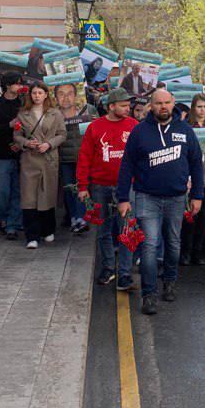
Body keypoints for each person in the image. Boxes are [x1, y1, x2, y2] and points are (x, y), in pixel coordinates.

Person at [116, 89, 205, 315]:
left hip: (177, 198)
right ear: (151, 105)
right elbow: (126, 165)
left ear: (173, 103)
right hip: (147, 197)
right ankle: (149, 294)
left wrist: (197, 195)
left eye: (167, 102)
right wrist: (123, 198)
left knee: (174, 245)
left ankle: (170, 281)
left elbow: (196, 163)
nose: (163, 107)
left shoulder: (185, 131)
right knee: (149, 245)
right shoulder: (139, 132)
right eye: (158, 103)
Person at [77, 88, 138, 286]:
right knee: (103, 231)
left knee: (127, 231)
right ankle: (108, 268)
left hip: (127, 189)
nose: (127, 108)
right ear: (111, 106)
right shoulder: (95, 127)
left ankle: (125, 273)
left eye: (128, 105)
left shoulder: (134, 126)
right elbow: (84, 157)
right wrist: (82, 186)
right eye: (123, 105)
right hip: (100, 187)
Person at [16, 82, 66, 249]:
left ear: (46, 95)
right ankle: (32, 235)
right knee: (29, 198)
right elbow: (16, 135)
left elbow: (62, 134)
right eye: (34, 93)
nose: (37, 96)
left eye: (40, 93)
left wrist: (49, 144)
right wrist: (26, 143)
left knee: (47, 195)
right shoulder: (23, 114)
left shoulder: (55, 114)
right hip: (30, 159)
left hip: (48, 158)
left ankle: (48, 229)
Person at [180, 94, 205, 266]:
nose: (202, 110)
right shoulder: (185, 126)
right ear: (193, 108)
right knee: (189, 216)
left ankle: (198, 251)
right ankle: (185, 252)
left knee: (203, 215)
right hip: (189, 177)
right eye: (199, 107)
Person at [0, 73, 25, 240]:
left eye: (20, 84)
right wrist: (8, 126)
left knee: (18, 191)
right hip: (0, 154)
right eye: (16, 84)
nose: (19, 87)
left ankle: (12, 224)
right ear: (8, 85)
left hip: (20, 154)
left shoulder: (23, 104)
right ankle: (2, 217)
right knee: (2, 191)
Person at [54, 82, 90, 234]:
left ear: (76, 96)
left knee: (83, 188)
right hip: (64, 159)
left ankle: (82, 218)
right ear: (56, 97)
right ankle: (75, 217)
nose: (66, 98)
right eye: (61, 94)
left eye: (69, 93)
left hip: (84, 158)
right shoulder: (53, 114)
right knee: (70, 189)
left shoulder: (87, 110)